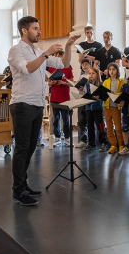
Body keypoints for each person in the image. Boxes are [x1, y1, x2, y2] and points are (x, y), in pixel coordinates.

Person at [7, 16, 79, 206]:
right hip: (22, 104)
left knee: (31, 147)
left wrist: (68, 46)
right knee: (22, 148)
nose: (39, 32)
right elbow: (27, 69)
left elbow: (63, 64)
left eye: (39, 28)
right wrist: (46, 53)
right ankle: (17, 189)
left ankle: (23, 183)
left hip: (38, 104)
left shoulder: (37, 51)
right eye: (35, 28)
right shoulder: (16, 51)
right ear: (24, 30)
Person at [47, 51, 74, 147]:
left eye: (60, 56)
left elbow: (72, 83)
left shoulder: (68, 68)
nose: (58, 58)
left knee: (66, 119)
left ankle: (67, 138)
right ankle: (57, 138)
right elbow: (49, 83)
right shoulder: (51, 68)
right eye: (56, 56)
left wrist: (64, 83)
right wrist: (52, 83)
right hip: (54, 96)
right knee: (55, 119)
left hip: (65, 97)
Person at [81, 68, 107, 151]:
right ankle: (91, 143)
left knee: (100, 127)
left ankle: (103, 143)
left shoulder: (101, 84)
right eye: (90, 73)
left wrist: (98, 97)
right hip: (89, 108)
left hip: (97, 108)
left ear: (97, 75)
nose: (91, 75)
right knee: (90, 126)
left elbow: (103, 97)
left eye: (93, 73)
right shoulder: (87, 84)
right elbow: (86, 94)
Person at [103, 63, 125, 154]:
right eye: (110, 69)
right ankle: (113, 145)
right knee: (109, 127)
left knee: (118, 127)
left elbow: (123, 94)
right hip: (107, 106)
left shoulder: (121, 82)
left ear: (117, 70)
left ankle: (121, 145)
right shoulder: (105, 82)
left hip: (116, 106)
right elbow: (103, 93)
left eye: (113, 69)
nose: (111, 71)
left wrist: (114, 94)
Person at [75, 58, 93, 148]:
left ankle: (91, 140)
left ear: (90, 65)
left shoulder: (91, 75)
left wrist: (84, 88)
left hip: (89, 99)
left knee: (89, 120)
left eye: (86, 64)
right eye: (83, 65)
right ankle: (82, 139)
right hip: (81, 98)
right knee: (81, 120)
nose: (84, 66)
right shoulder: (81, 76)